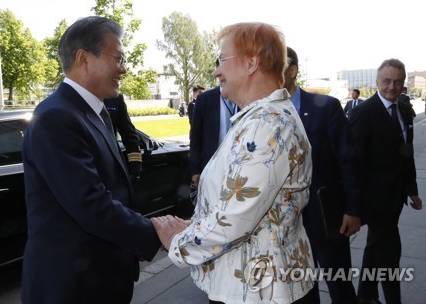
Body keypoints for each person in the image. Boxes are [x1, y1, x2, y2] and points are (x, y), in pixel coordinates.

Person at [152, 22, 316, 303]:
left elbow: (236, 219)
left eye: (222, 60)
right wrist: (194, 227)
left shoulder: (266, 124)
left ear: (251, 63)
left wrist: (178, 242)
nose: (216, 71)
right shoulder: (261, 118)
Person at [21, 16, 164, 304]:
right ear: (84, 59)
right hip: (71, 287)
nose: (124, 69)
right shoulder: (56, 117)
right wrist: (156, 232)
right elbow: (90, 203)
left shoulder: (93, 112)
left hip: (99, 277)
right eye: (119, 58)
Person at [284, 47, 362, 304]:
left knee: (339, 286)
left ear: (292, 71)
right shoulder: (262, 114)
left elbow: (348, 161)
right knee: (302, 292)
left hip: (326, 219)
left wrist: (353, 210)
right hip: (286, 226)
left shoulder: (326, 107)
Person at [350, 58, 422, 304]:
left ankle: (365, 295)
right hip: (374, 199)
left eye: (398, 82)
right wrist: (354, 205)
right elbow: (354, 161)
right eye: (387, 81)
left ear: (403, 85)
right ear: (377, 82)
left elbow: (407, 152)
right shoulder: (363, 112)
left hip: (396, 196)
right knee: (390, 252)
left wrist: (412, 190)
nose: (392, 86)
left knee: (375, 245)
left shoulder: (402, 109)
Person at [189, 84, 237, 186]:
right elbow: (195, 137)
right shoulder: (204, 99)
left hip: (239, 167)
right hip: (211, 167)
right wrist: (195, 170)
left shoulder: (246, 97)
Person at [104, 94, 142, 182]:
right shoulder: (74, 96)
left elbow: (129, 134)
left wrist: (135, 170)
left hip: (112, 170)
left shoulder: (116, 99)